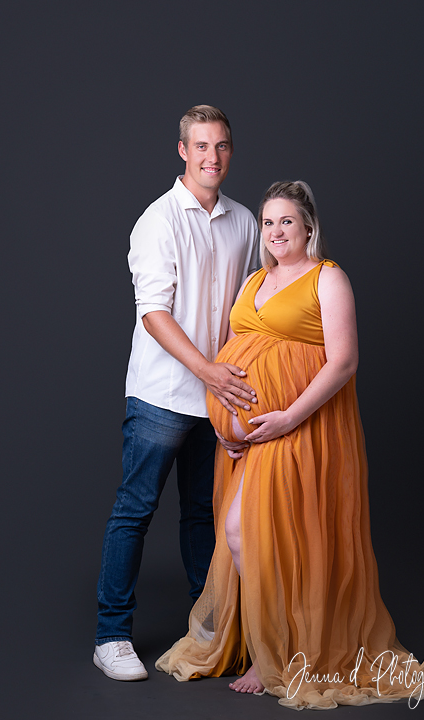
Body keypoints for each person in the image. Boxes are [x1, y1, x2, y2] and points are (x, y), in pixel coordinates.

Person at [156, 181, 424, 710]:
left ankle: (273, 652)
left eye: (287, 221)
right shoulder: (254, 280)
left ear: (308, 227)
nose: (277, 231)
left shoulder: (328, 278)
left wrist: (287, 418)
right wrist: (225, 425)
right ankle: (268, 642)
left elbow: (344, 361)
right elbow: (230, 351)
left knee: (259, 532)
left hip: (302, 427)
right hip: (250, 438)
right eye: (268, 222)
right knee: (258, 535)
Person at [93, 105, 260, 681]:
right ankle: (111, 635)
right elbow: (154, 315)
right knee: (134, 511)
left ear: (229, 152)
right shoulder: (158, 220)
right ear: (182, 151)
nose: (212, 157)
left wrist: (232, 376)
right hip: (163, 395)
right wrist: (210, 371)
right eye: (201, 146)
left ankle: (207, 629)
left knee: (203, 515)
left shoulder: (243, 220)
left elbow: (248, 307)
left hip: (220, 398)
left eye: (222, 146)